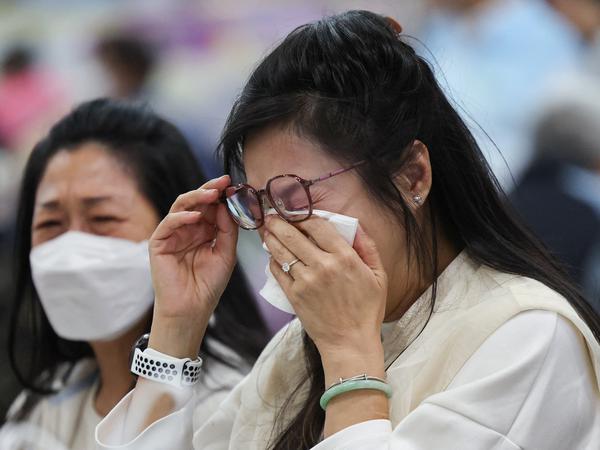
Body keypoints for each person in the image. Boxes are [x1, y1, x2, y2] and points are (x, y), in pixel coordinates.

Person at [97, 11, 600, 449]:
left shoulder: (527, 336)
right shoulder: (299, 348)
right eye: (258, 203)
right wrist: (175, 330)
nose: (276, 232)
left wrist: (350, 361)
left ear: (412, 176)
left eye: (296, 194)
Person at [3, 99, 269, 449]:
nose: (72, 252)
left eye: (103, 220)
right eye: (50, 224)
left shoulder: (232, 404)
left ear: (183, 226)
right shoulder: (47, 401)